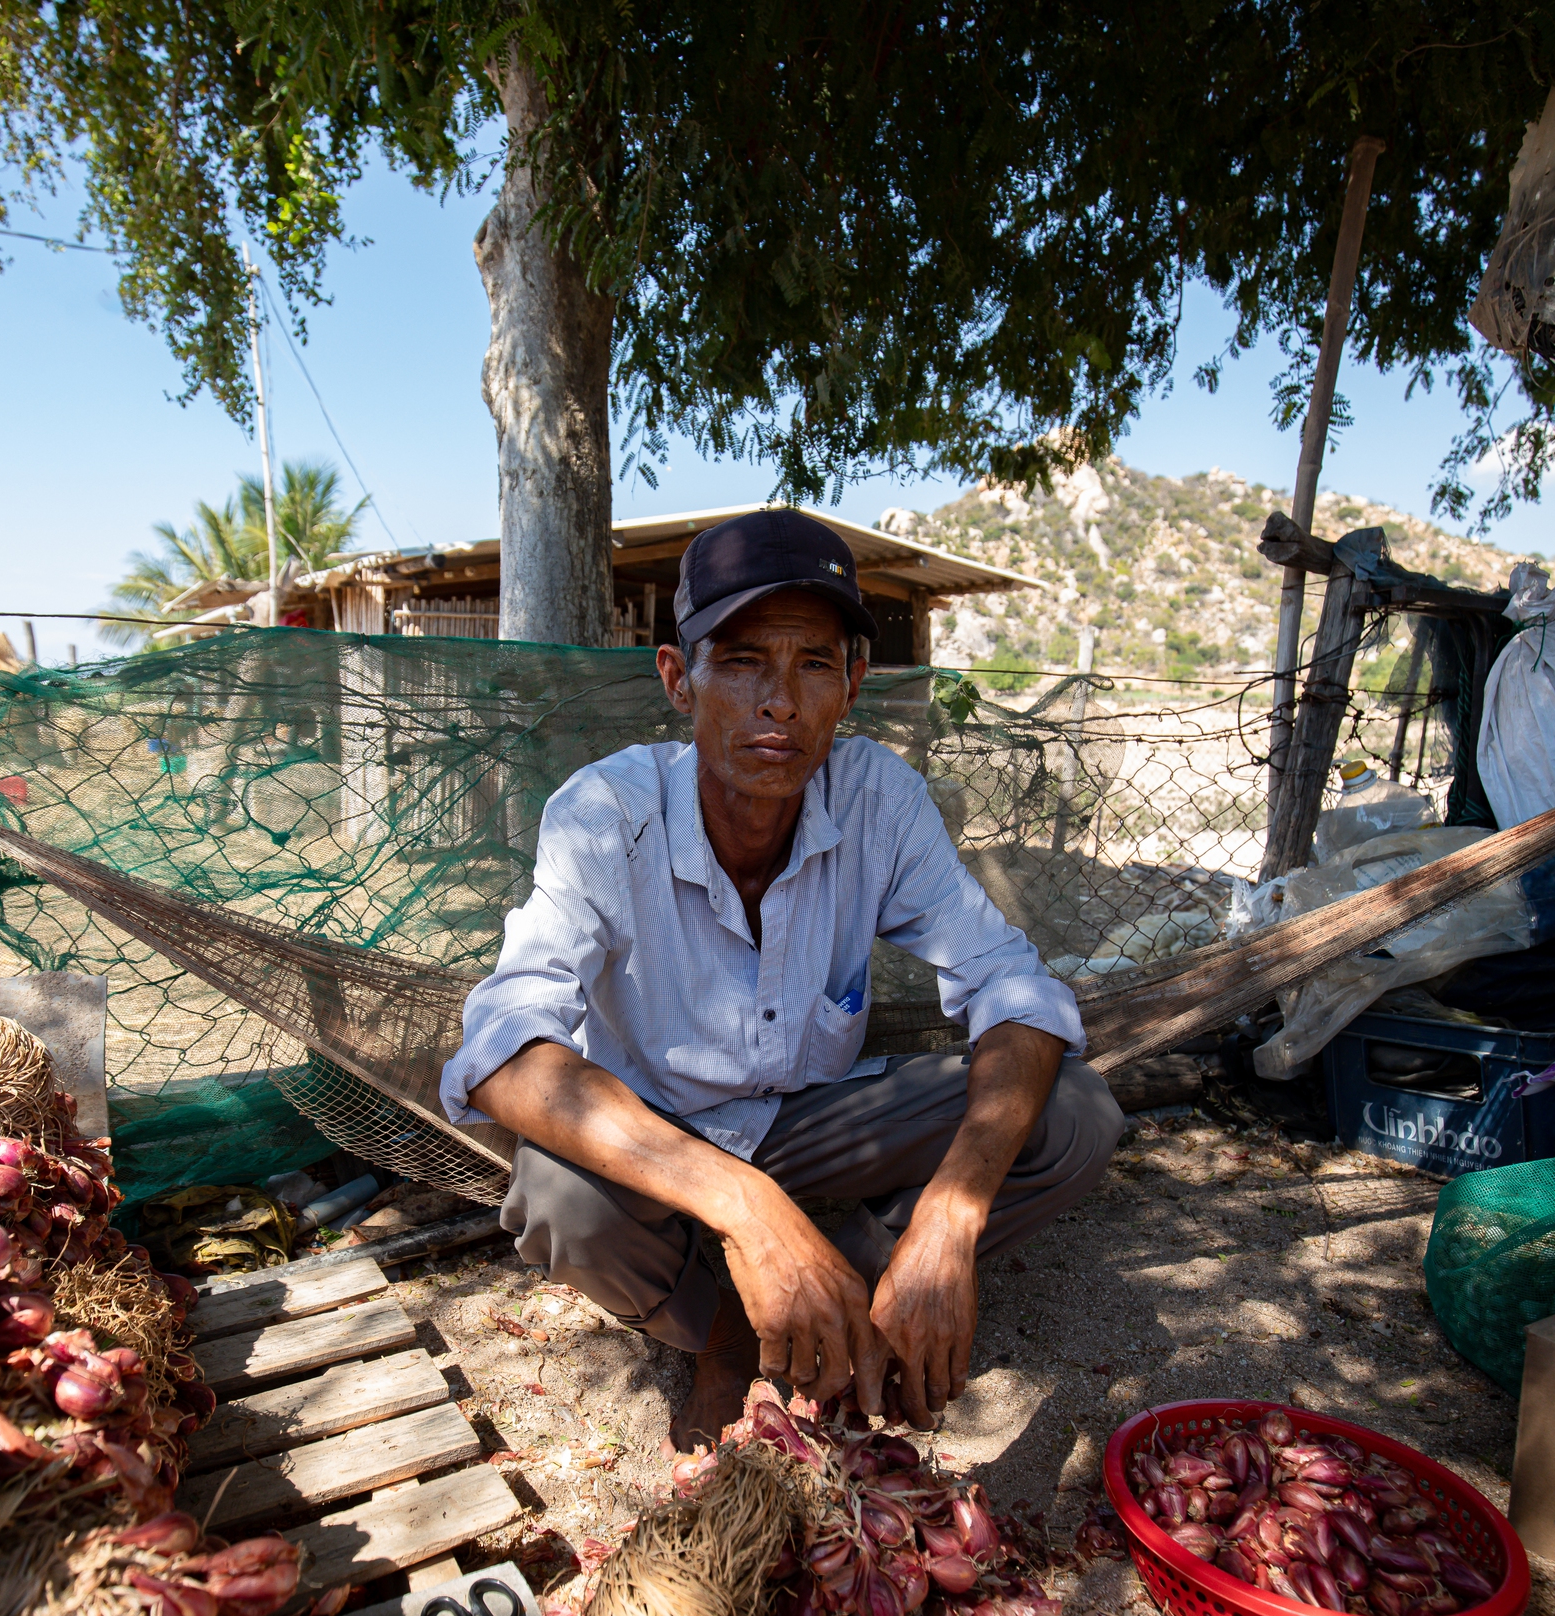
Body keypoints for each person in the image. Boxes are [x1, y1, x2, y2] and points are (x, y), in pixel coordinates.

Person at [440, 509, 1123, 1447]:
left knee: (1074, 1112)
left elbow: (1013, 987)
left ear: (852, 686)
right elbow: (502, 1052)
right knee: (560, 1199)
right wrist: (746, 1208)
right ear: (679, 681)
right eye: (743, 661)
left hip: (810, 1120)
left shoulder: (880, 797)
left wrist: (950, 1216)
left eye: (813, 665)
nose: (780, 701)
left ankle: (855, 1292)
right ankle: (728, 1335)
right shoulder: (608, 813)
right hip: (661, 1142)